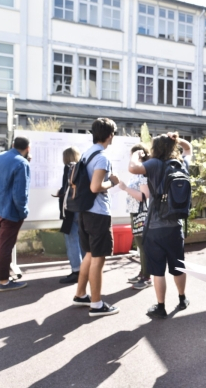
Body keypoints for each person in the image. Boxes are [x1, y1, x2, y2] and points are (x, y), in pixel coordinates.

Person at [129, 132, 192, 319]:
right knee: (178, 266)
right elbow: (188, 149)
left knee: (158, 271)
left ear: (155, 148)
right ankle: (182, 299)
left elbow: (133, 168)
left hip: (155, 227)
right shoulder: (181, 164)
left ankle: (161, 306)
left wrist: (136, 155)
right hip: (175, 226)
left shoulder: (154, 164)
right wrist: (177, 140)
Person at [72, 118, 121, 317]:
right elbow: (95, 187)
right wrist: (112, 182)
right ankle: (96, 304)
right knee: (98, 259)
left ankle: (80, 294)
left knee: (90, 255)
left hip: (84, 212)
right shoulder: (101, 157)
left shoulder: (86, 154)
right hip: (98, 213)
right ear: (110, 135)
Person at [0, 136, 31, 292]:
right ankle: (4, 282)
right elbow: (20, 194)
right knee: (5, 245)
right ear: (28, 148)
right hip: (10, 210)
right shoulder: (21, 163)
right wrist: (23, 212)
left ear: (12, 145)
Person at [119, 143, 152, 290]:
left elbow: (144, 196)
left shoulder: (144, 172)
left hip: (141, 212)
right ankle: (143, 273)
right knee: (140, 245)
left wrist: (126, 188)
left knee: (143, 246)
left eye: (132, 155)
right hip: (136, 211)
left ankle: (146, 276)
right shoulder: (139, 173)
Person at [53, 146, 83, 284]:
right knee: (82, 240)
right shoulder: (82, 167)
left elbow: (67, 188)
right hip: (81, 208)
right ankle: (85, 270)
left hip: (70, 210)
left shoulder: (68, 168)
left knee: (71, 240)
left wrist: (61, 193)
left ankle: (76, 271)